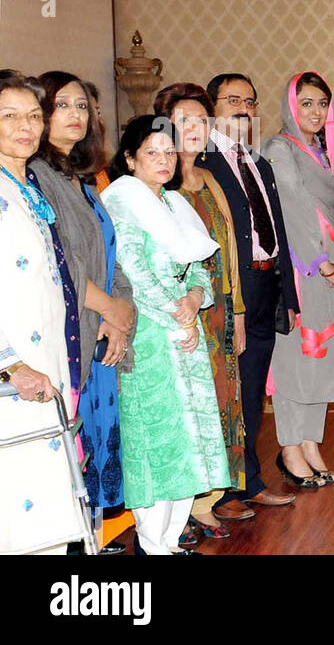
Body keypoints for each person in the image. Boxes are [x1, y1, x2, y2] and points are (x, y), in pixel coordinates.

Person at [101, 115, 229, 555]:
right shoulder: (122, 202)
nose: (163, 161)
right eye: (151, 153)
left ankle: (171, 541)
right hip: (151, 337)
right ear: (131, 159)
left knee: (188, 436)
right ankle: (152, 542)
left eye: (169, 152)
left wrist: (194, 301)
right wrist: (178, 316)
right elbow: (132, 273)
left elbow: (197, 266)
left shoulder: (175, 204)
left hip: (183, 331)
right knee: (157, 439)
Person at [31, 71, 135, 515]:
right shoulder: (34, 176)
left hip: (103, 330)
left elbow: (112, 254)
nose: (75, 114)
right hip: (74, 329)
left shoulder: (86, 179)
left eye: (82, 106)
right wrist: (109, 309)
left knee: (101, 438)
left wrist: (124, 309)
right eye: (61, 106)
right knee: (74, 446)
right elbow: (61, 261)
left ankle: (99, 529)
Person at [198, 73, 298, 520]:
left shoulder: (260, 162)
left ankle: (249, 480)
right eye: (232, 100)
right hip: (227, 295)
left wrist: (288, 296)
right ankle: (220, 493)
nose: (243, 108)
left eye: (250, 101)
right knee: (227, 393)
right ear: (212, 106)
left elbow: (279, 234)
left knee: (254, 391)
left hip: (265, 288)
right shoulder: (200, 162)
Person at [154, 82, 246, 540]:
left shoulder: (209, 180)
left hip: (220, 311)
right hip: (178, 313)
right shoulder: (155, 185)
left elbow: (228, 252)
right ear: (165, 125)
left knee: (220, 402)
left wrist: (240, 313)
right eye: (185, 120)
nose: (195, 128)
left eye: (202, 120)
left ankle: (207, 499)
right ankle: (179, 508)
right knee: (188, 406)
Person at [0, 75, 88, 555]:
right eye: (9, 115)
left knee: (50, 509)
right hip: (14, 379)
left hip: (50, 364)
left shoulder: (27, 185)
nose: (26, 126)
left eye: (33, 115)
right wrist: (10, 364)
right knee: (18, 509)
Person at [262, 71, 334, 487]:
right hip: (301, 269)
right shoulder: (280, 148)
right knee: (296, 357)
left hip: (332, 267)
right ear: (290, 106)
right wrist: (323, 264)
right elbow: (294, 210)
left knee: (322, 354)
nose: (315, 112)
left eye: (321, 104)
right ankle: (289, 447)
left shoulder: (328, 154)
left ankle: (312, 442)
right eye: (307, 103)